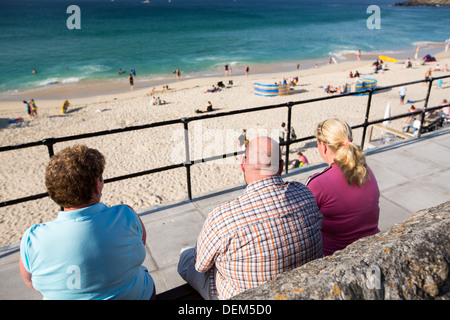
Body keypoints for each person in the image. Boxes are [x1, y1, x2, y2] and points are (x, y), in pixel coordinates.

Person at [177, 137, 323, 300]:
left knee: (186, 258)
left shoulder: (224, 217)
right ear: (281, 167)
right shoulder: (305, 194)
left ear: (243, 165)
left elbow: (200, 265)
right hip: (301, 289)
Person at [19, 145, 155, 300]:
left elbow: (31, 282)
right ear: (97, 186)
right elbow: (140, 244)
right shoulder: (125, 216)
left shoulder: (33, 238)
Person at [306, 118, 380, 257]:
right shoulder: (365, 170)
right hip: (372, 247)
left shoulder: (318, 183)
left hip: (337, 256)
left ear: (323, 146)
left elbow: (303, 225)